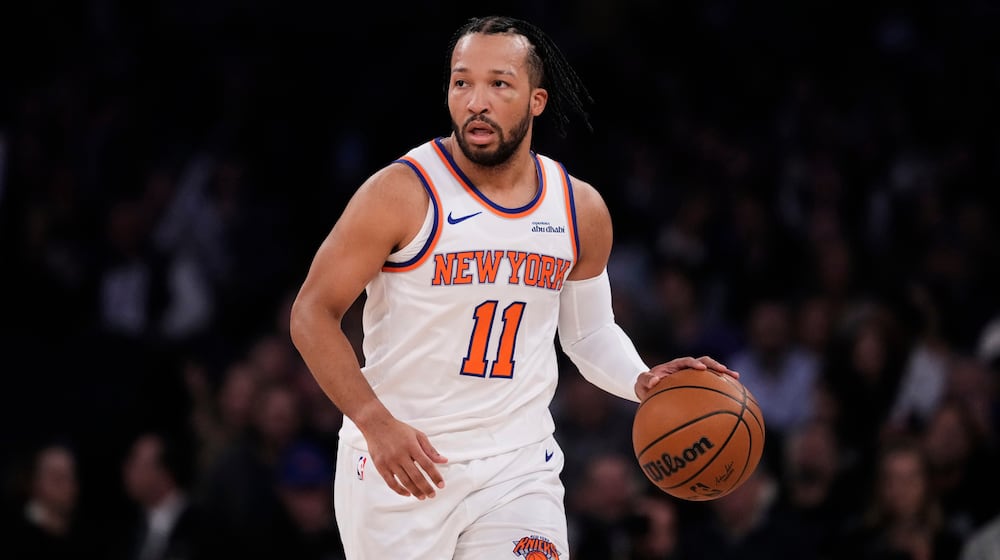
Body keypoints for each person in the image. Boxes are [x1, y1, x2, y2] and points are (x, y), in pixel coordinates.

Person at [289, 15, 736, 559]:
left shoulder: (579, 208)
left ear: (536, 101)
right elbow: (312, 312)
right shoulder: (400, 193)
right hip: (403, 462)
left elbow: (590, 333)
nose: (477, 101)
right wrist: (374, 422)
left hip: (517, 464)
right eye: (462, 82)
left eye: (499, 83)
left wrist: (642, 380)